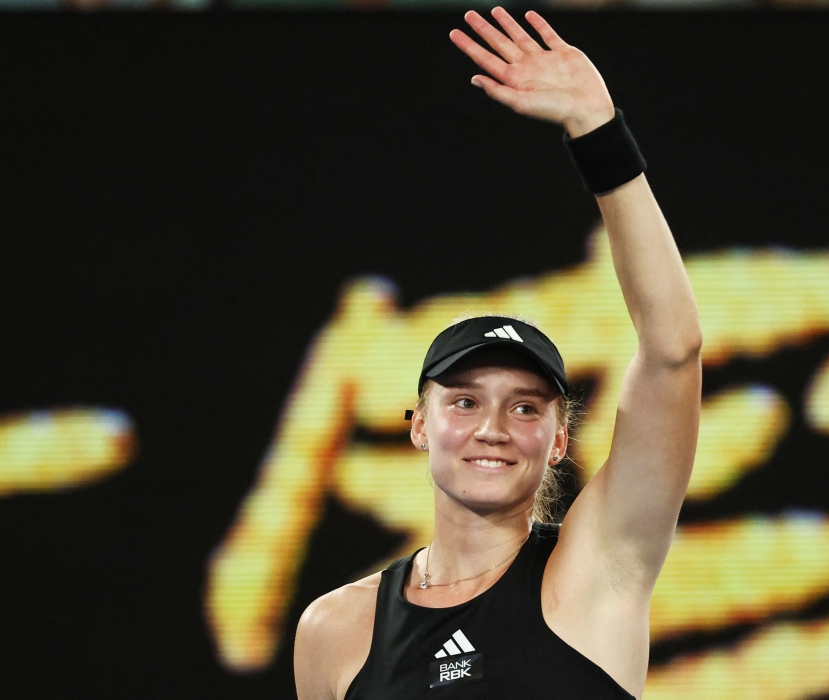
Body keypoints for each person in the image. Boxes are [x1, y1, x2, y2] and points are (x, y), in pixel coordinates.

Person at [293, 8, 703, 699]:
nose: (492, 428)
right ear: (419, 426)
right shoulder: (335, 629)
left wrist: (599, 133)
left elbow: (673, 350)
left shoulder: (596, 569)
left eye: (524, 407)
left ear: (558, 440)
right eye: (464, 401)